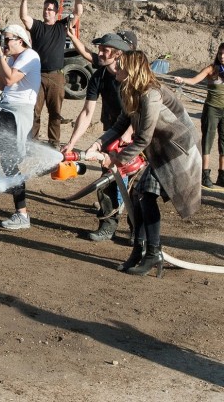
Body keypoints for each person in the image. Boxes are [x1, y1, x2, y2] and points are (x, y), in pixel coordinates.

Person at [84, 51, 201, 276]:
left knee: (146, 195)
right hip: (160, 148)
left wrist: (117, 158)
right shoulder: (129, 90)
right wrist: (97, 145)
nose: (115, 68)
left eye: (120, 65)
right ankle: (138, 251)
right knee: (138, 196)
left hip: (177, 150)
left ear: (132, 70)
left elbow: (143, 138)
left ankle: (153, 253)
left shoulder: (151, 94)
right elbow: (120, 125)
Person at [61, 31, 135, 241]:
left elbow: (143, 111)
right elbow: (86, 112)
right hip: (113, 133)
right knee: (107, 181)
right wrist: (71, 143)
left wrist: (130, 134)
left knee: (136, 186)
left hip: (139, 134)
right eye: (100, 48)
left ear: (118, 54)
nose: (100, 53)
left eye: (105, 50)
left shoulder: (131, 76)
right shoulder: (99, 76)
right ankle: (107, 226)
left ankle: (138, 232)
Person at [0, 24, 41, 230]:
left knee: (10, 162)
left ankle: (22, 214)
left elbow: (11, 79)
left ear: (20, 40)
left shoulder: (30, 55)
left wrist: (0, 57)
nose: (3, 42)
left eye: (7, 39)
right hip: (5, 109)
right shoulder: (13, 58)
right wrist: (0, 57)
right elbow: (3, 85)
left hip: (17, 113)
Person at [19, 0, 83, 148]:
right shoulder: (38, 26)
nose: (46, 12)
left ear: (56, 12)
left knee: (55, 113)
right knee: (34, 111)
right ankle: (31, 143)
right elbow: (24, 17)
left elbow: (78, 13)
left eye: (50, 9)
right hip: (37, 76)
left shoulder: (62, 26)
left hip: (56, 76)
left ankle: (54, 143)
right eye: (45, 9)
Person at [173, 42, 224, 188]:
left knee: (223, 143)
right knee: (208, 140)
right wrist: (183, 80)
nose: (222, 56)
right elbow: (194, 80)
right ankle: (205, 174)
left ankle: (222, 175)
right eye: (220, 53)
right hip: (212, 109)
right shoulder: (211, 69)